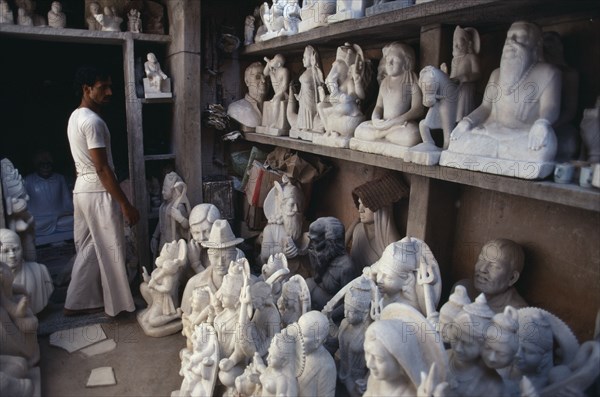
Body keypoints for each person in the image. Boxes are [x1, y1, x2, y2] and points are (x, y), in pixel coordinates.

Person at [64, 65, 139, 317]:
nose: (109, 92)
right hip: (97, 191)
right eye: (102, 87)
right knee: (110, 248)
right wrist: (124, 204)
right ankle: (117, 305)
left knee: (90, 247)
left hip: (82, 190)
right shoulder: (92, 121)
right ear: (87, 89)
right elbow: (102, 168)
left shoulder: (75, 116)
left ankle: (77, 301)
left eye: (110, 86)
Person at [440, 21, 561, 177]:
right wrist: (467, 122)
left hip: (523, 135)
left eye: (519, 38)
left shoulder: (549, 73)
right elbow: (486, 107)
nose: (511, 42)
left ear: (536, 46)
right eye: (509, 37)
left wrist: (542, 123)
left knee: (541, 148)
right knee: (459, 140)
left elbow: (550, 107)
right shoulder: (496, 74)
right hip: (491, 131)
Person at [353, 41, 424, 149]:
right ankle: (382, 134)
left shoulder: (410, 78)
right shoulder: (385, 82)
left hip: (400, 125)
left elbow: (418, 109)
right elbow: (379, 106)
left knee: (413, 135)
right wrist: (375, 118)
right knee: (359, 130)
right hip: (384, 124)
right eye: (387, 60)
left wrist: (397, 121)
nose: (389, 63)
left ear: (406, 62)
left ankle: (380, 135)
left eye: (394, 60)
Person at [347, 173, 407, 272]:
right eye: (359, 204)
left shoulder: (393, 244)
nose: (360, 210)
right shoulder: (358, 229)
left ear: (380, 209)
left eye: (365, 205)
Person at [456, 238, 527, 313]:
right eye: (481, 259)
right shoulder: (463, 289)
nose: (482, 269)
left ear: (512, 278)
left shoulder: (516, 313)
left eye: (494, 266)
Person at [305, 217, 356, 320]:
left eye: (315, 241)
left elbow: (349, 304)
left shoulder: (346, 268)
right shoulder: (325, 257)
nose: (310, 245)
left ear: (330, 243)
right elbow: (316, 279)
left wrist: (327, 316)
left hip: (328, 314)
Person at [0, 229, 53, 314]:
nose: (12, 255)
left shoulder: (40, 271)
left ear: (21, 248)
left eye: (15, 249)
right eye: (5, 251)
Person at [24, 150, 74, 241]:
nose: (46, 167)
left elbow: (67, 200)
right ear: (36, 166)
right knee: (30, 225)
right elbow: (24, 204)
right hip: (39, 219)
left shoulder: (60, 178)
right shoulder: (28, 180)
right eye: (42, 164)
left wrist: (69, 211)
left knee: (73, 220)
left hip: (60, 218)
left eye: (48, 164)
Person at [260, 178, 307, 273]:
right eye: (292, 205)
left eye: (298, 205)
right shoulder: (270, 229)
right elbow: (264, 253)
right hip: (277, 272)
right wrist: (282, 251)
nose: (296, 209)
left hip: (298, 270)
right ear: (282, 207)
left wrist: (299, 250)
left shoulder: (302, 225)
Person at [150, 171, 190, 260]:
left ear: (173, 191)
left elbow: (188, 226)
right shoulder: (163, 206)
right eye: (162, 189)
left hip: (174, 244)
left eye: (165, 190)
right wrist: (155, 237)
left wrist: (180, 218)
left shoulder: (178, 207)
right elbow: (161, 222)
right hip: (163, 242)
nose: (162, 192)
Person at [448, 26, 481, 121]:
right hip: (454, 87)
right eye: (454, 42)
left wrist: (465, 77)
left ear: (468, 44)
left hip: (466, 87)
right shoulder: (454, 60)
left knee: (464, 89)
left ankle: (461, 119)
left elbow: (478, 73)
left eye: (459, 41)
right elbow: (452, 77)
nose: (456, 45)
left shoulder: (471, 57)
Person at [227, 62, 267, 132]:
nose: (264, 81)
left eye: (267, 77)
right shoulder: (235, 108)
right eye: (258, 77)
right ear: (247, 81)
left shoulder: (275, 107)